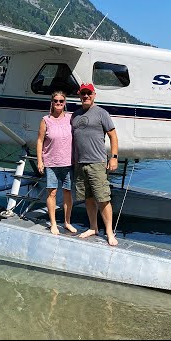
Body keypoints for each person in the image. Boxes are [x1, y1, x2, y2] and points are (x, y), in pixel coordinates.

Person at [71, 83, 119, 246]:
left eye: (89, 93)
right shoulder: (75, 115)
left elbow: (113, 135)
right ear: (79, 95)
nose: (86, 96)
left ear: (94, 95)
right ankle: (93, 227)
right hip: (80, 163)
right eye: (83, 93)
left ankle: (109, 232)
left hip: (97, 162)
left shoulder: (101, 113)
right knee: (88, 198)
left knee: (103, 198)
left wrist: (113, 157)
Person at [36, 90, 77, 235]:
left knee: (67, 192)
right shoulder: (45, 120)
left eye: (61, 101)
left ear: (65, 103)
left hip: (68, 162)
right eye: (56, 101)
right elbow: (40, 141)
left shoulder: (71, 118)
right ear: (52, 103)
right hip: (51, 162)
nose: (58, 103)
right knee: (52, 193)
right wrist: (40, 161)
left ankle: (67, 222)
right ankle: (53, 223)